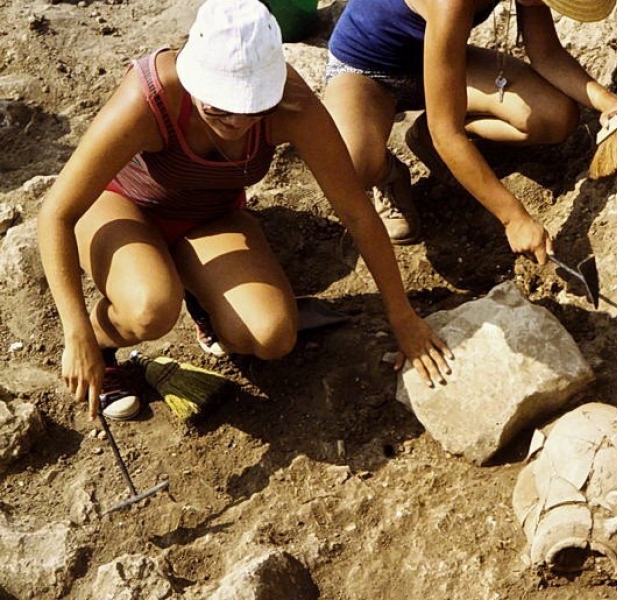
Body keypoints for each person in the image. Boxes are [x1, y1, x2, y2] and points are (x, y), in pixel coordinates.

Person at [37, 0, 453, 422]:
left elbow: (357, 212)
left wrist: (401, 315)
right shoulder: (150, 98)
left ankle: (203, 298)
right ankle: (104, 342)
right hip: (122, 207)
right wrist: (76, 334)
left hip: (210, 216)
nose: (236, 121)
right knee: (152, 308)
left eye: (252, 106)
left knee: (272, 336)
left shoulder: (291, 105)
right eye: (219, 105)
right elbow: (57, 212)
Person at [323, 0, 617, 251]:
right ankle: (387, 175)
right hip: (368, 75)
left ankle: (426, 132)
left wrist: (609, 103)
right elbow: (447, 134)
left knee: (554, 117)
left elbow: (546, 53)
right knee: (352, 166)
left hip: (443, 60)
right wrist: (514, 218)